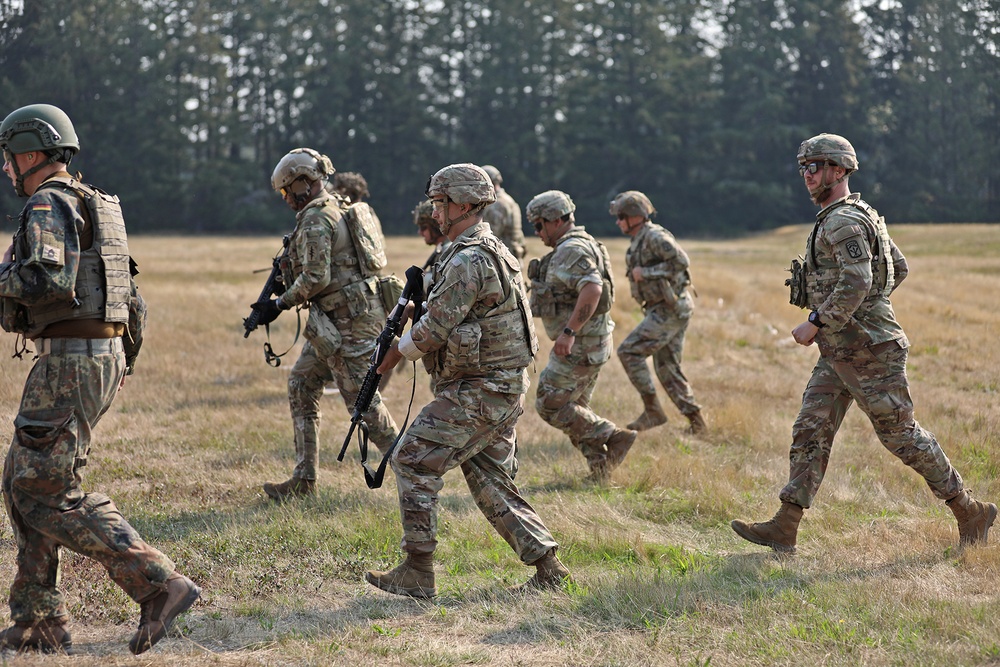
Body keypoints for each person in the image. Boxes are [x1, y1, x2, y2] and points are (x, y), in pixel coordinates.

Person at [731, 133, 997, 554]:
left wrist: (818, 320)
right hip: (842, 350)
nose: (807, 175)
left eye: (814, 166)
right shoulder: (852, 215)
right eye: (803, 168)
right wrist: (855, 316)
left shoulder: (843, 221)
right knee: (810, 428)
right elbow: (898, 268)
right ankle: (786, 526)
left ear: (839, 170)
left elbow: (860, 278)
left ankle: (970, 511)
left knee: (901, 436)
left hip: (870, 352)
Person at [0, 104, 200, 655]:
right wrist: (120, 359)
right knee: (21, 478)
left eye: (9, 156)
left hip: (70, 359)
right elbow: (130, 295)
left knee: (44, 490)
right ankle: (38, 618)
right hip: (93, 353)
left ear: (33, 154)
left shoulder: (49, 201)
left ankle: (159, 584)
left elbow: (47, 276)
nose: (5, 168)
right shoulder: (95, 202)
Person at [366, 163, 570, 598]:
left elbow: (434, 331)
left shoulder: (469, 258)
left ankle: (418, 571)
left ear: (461, 204)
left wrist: (392, 357)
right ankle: (549, 569)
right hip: (496, 385)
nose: (434, 211)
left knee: (413, 457)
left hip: (483, 390)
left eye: (439, 203)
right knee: (489, 477)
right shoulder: (478, 248)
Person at [254, 148, 398, 501]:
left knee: (363, 405)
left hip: (349, 322)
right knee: (302, 383)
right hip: (340, 319)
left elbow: (316, 277)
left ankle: (415, 471)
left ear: (305, 182)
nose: (286, 198)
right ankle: (304, 480)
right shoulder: (339, 205)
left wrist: (278, 304)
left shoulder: (318, 217)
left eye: (288, 190)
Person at [525, 190, 636, 483]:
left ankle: (614, 436)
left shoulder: (571, 250)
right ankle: (600, 470)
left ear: (557, 220)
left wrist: (568, 332)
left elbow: (592, 289)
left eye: (539, 225)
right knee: (577, 412)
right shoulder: (582, 244)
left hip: (581, 344)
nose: (537, 233)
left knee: (549, 403)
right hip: (593, 341)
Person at [611, 191, 706, 434]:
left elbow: (681, 261)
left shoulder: (654, 236)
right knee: (667, 369)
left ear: (636, 217)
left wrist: (647, 273)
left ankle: (653, 411)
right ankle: (697, 424)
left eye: (621, 216)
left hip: (669, 309)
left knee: (629, 351)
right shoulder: (640, 239)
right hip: (665, 309)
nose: (618, 221)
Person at [481, 164, 526, 260]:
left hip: (503, 257)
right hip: (511, 254)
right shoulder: (508, 199)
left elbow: (491, 234)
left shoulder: (497, 204)